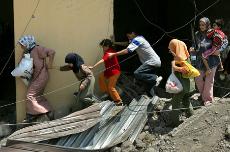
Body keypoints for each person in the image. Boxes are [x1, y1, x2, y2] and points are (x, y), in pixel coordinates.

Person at [108, 31, 162, 97]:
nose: (128, 38)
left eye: (129, 36)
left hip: (152, 62)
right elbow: (126, 44)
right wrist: (114, 42)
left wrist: (114, 54)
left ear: (133, 33)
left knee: (137, 73)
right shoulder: (136, 40)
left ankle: (155, 78)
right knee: (147, 85)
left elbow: (127, 50)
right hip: (153, 62)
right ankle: (153, 98)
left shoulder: (138, 39)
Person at [18, 35, 55, 122]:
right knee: (37, 96)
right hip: (36, 77)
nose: (21, 46)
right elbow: (21, 64)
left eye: (22, 44)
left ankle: (33, 115)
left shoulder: (37, 49)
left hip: (42, 76)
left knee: (30, 95)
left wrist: (50, 64)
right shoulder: (28, 51)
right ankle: (48, 112)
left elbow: (52, 52)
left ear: (27, 43)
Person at [190, 17, 222, 106]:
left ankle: (207, 99)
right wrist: (192, 50)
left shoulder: (213, 33)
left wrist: (218, 50)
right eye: (200, 25)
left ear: (208, 25)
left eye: (203, 25)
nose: (201, 26)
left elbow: (222, 42)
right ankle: (204, 95)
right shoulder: (197, 34)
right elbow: (195, 46)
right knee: (198, 79)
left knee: (209, 81)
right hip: (200, 60)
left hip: (211, 60)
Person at [167, 39, 195, 127]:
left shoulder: (180, 60)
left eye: (172, 48)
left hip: (181, 87)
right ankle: (192, 117)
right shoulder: (187, 57)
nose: (171, 50)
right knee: (186, 100)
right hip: (188, 86)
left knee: (175, 103)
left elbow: (183, 69)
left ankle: (175, 123)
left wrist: (174, 66)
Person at [89, 39, 122, 106]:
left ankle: (119, 101)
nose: (103, 48)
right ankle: (107, 92)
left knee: (111, 87)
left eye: (103, 47)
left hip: (114, 73)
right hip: (109, 71)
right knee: (101, 76)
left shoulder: (109, 53)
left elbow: (102, 60)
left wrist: (93, 67)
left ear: (107, 46)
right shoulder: (109, 51)